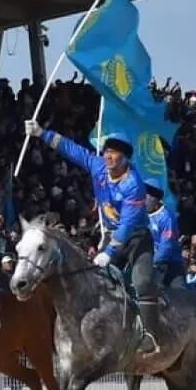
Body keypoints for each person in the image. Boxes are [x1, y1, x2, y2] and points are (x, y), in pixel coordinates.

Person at [24, 121, 158, 354]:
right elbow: (74, 150)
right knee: (93, 282)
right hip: (109, 237)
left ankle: (149, 335)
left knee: (142, 282)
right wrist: (41, 133)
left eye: (114, 152)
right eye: (106, 150)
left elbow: (127, 224)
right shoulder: (98, 167)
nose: (107, 156)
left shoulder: (134, 185)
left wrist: (109, 252)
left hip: (136, 239)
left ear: (125, 158)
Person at [146, 184, 185, 290]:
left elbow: (166, 246)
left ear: (156, 200)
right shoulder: (142, 214)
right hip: (150, 262)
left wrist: (153, 263)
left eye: (148, 196)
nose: (145, 199)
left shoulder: (166, 217)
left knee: (180, 297)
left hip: (170, 265)